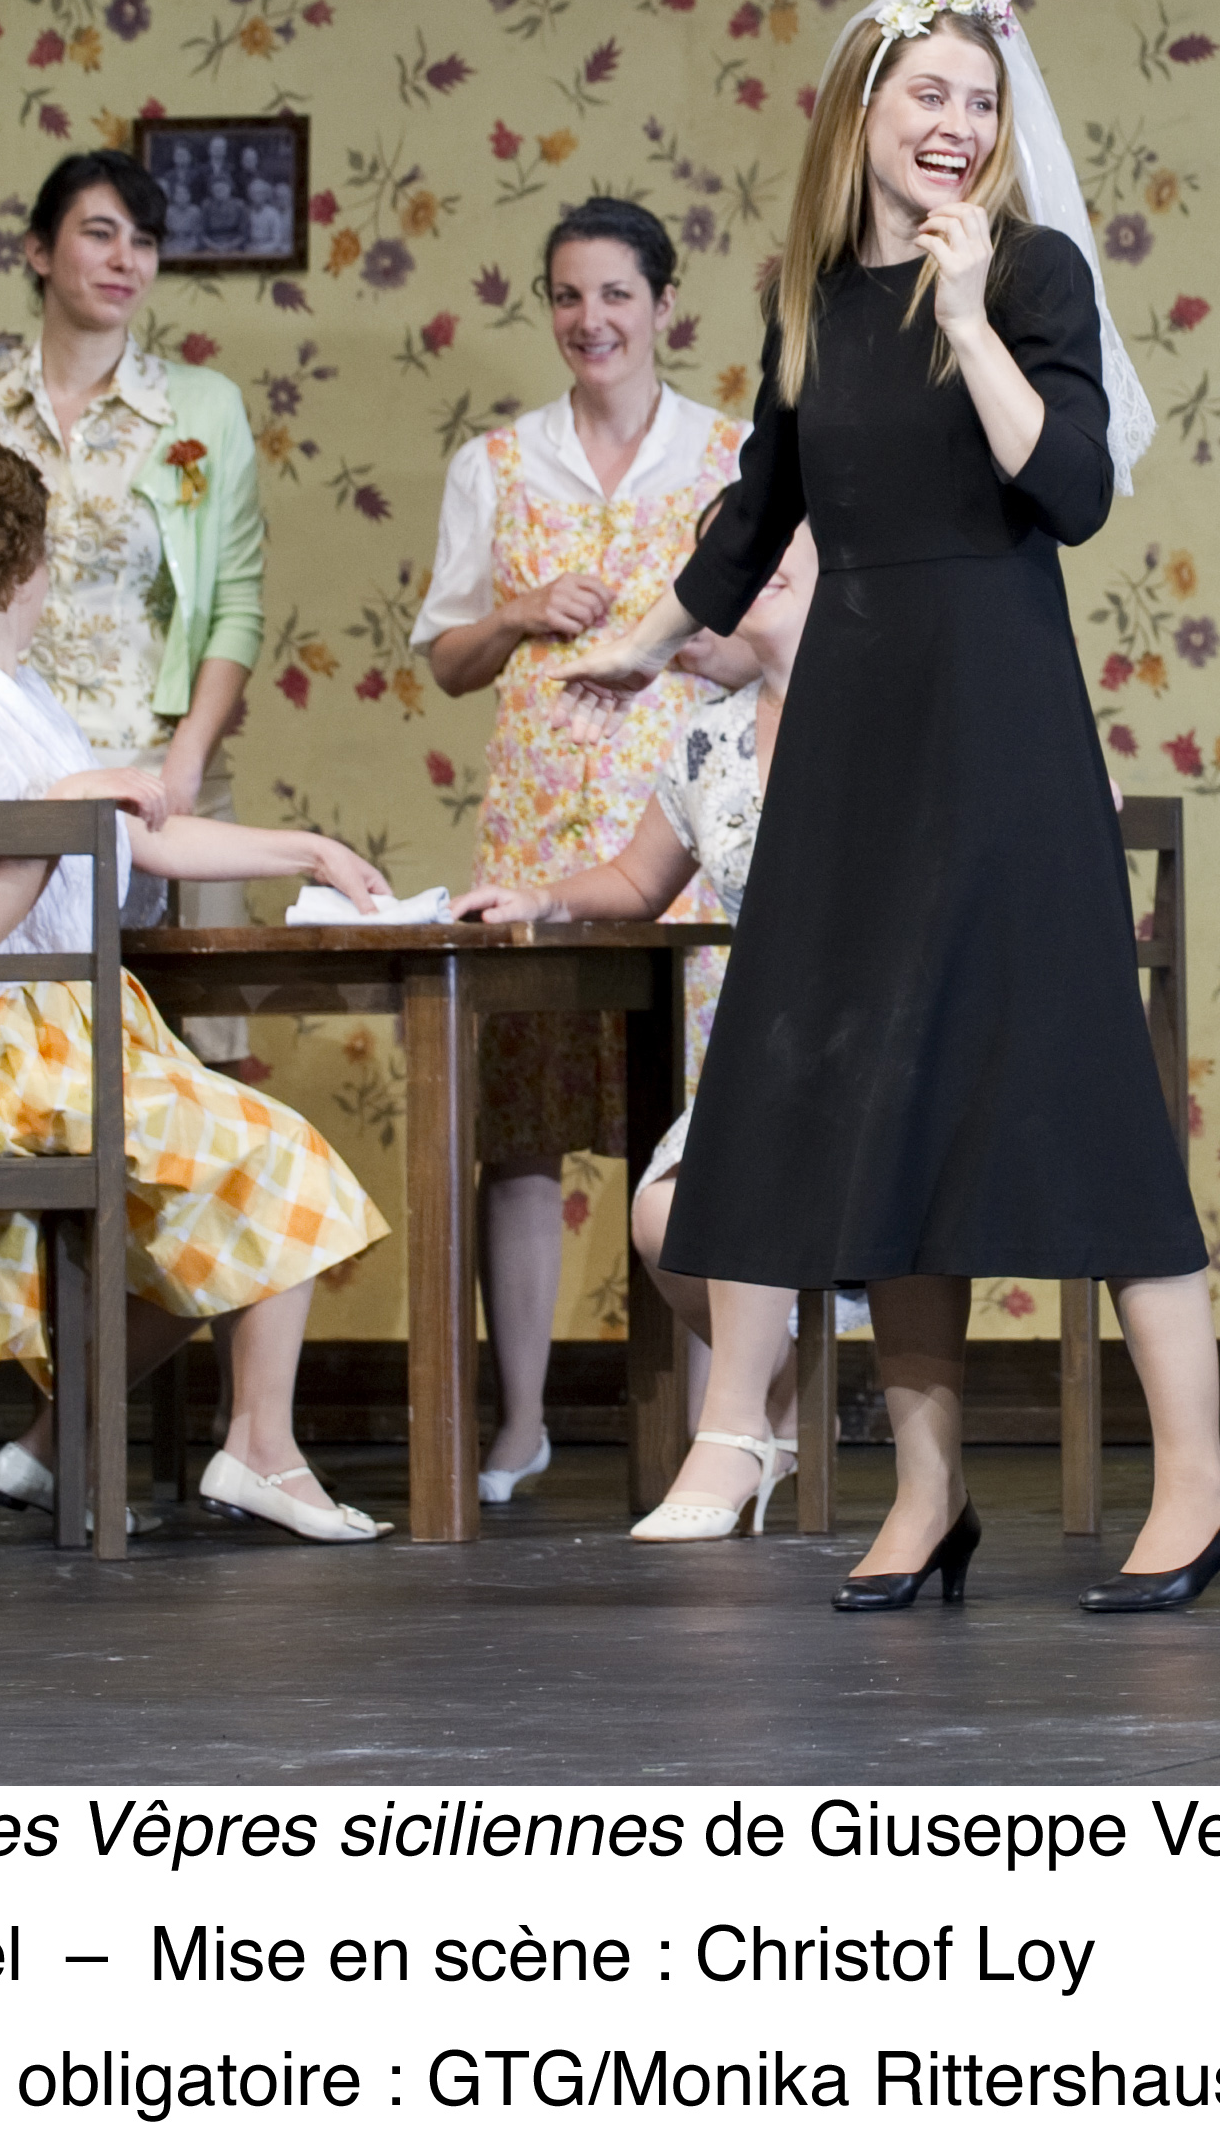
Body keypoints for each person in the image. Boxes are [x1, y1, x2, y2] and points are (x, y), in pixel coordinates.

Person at [571, 0, 1220, 1612]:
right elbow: (764, 498)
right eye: (929, 94)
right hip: (857, 723)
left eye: (980, 101)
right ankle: (928, 1495)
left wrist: (967, 317)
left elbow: (1071, 486)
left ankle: (1201, 1484)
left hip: (998, 713)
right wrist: (645, 638)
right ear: (862, 108)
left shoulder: (1032, 271)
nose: (957, 125)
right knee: (891, 1115)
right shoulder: (808, 296)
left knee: (1082, 1098)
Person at [0, 436, 396, 1545]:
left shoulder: (11, 692)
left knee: (208, 1211)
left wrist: (305, 850)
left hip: (44, 1027)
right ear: (26, 562)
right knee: (276, 1155)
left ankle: (54, 1447)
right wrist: (65, 803)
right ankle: (260, 1448)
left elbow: (141, 834)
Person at [418, 193, 752, 1506]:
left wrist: (678, 640)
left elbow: (779, 637)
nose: (590, 318)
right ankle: (520, 1423)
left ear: (663, 304)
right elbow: (449, 660)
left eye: (616, 293)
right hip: (538, 832)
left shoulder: (732, 454)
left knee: (700, 1131)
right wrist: (518, 612)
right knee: (521, 1136)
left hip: (684, 839)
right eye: (568, 294)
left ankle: (720, 1423)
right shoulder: (497, 464)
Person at [463, 523, 818, 1542]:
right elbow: (636, 876)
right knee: (664, 1216)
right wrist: (545, 895)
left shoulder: (888, 701)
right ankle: (784, 1400)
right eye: (746, 550)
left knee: (741, 1190)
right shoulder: (710, 736)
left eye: (787, 537)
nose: (766, 558)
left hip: (875, 1035)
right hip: (772, 1047)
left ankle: (736, 1429)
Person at [0, 149, 266, 1063]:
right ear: (39, 250)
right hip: (10, 768)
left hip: (159, 768)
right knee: (23, 1035)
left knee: (197, 1035)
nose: (125, 259)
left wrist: (184, 761)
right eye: (100, 233)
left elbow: (236, 604)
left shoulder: (204, 405)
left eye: (143, 241)